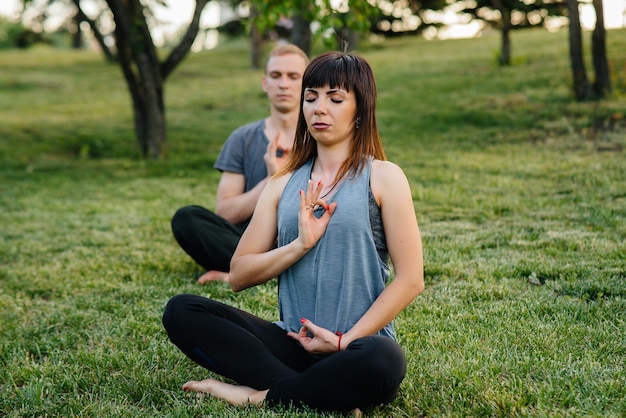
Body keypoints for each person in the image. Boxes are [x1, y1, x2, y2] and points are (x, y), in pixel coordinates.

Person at [162, 51, 424, 414]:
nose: (319, 108)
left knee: (385, 359)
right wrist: (300, 245)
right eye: (311, 96)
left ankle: (261, 395)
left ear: (360, 108)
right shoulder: (281, 183)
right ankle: (315, 391)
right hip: (292, 343)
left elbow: (411, 280)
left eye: (335, 99)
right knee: (181, 311)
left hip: (355, 348)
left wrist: (343, 340)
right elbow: (238, 274)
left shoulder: (384, 177)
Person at [170, 43, 309, 284]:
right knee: (187, 218)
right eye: (276, 76)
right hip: (248, 243)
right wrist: (270, 181)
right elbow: (226, 212)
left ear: (307, 84)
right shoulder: (243, 138)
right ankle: (264, 269)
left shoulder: (320, 137)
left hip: (302, 238)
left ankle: (253, 272)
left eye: (293, 76)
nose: (283, 84)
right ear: (265, 83)